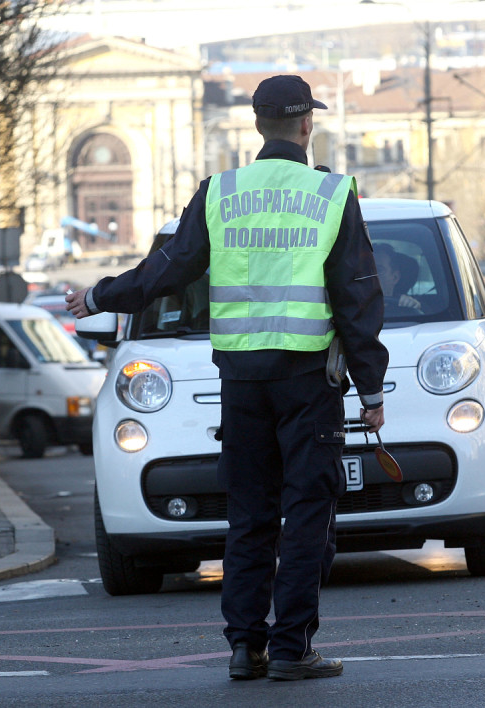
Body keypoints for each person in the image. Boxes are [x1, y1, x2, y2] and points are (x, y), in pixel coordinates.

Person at [66, 75, 388, 681]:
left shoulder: (220, 191)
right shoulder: (332, 193)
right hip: (307, 381)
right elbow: (357, 297)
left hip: (240, 382)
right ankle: (292, 649)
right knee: (307, 513)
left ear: (258, 125)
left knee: (250, 517)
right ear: (306, 125)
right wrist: (371, 391)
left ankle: (245, 648)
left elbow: (167, 268)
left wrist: (98, 295)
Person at [374, 243, 422, 311]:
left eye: (378, 270)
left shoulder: (407, 308)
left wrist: (413, 308)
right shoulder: (354, 308)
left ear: (395, 277)